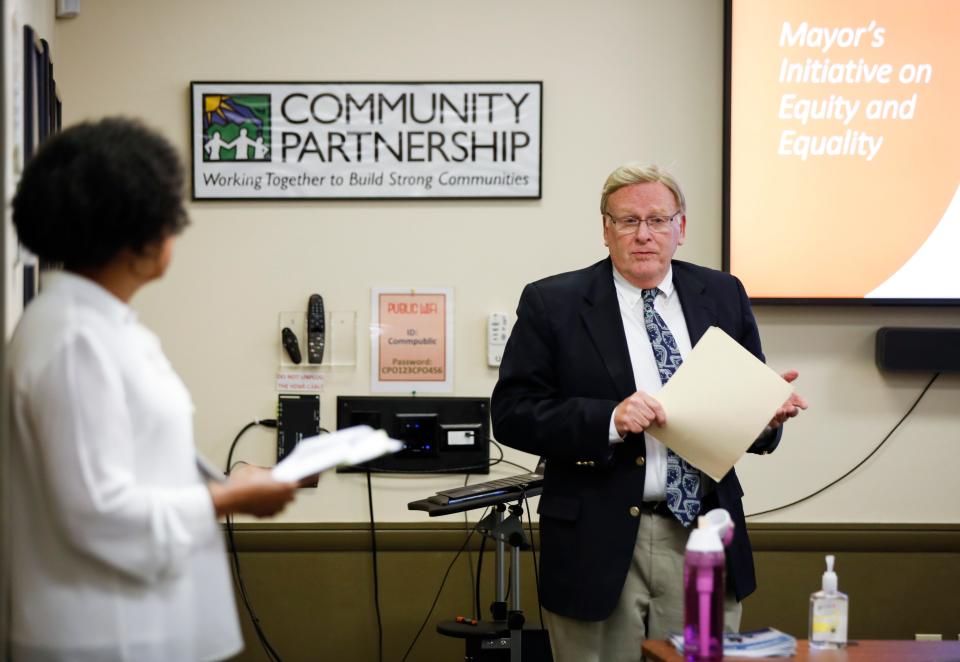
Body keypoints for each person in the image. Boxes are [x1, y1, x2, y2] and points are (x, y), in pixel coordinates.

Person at [5, 118, 301, 661]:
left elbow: (134, 462)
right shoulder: (75, 339)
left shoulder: (102, 327)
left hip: (134, 624)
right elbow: (97, 512)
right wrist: (230, 498)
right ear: (136, 231)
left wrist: (226, 481)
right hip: (104, 636)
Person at [491, 163, 807, 662]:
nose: (644, 235)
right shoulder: (554, 303)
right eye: (627, 221)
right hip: (595, 540)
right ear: (605, 229)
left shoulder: (723, 295)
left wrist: (764, 420)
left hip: (702, 533)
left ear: (681, 228)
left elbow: (746, 413)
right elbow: (511, 414)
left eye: (658, 220)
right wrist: (607, 420)